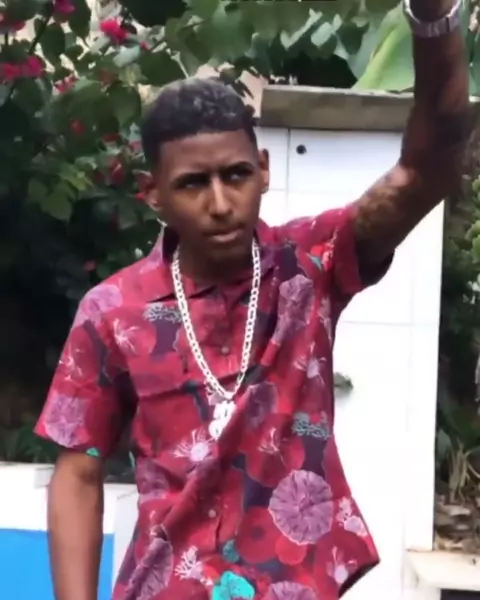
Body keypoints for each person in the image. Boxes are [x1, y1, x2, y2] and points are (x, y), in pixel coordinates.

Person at [35, 0, 469, 598]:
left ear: (263, 169)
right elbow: (78, 474)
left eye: (235, 175)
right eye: (193, 183)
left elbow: (428, 168)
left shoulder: (311, 264)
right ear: (153, 193)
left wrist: (434, 16)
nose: (219, 203)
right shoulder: (113, 310)